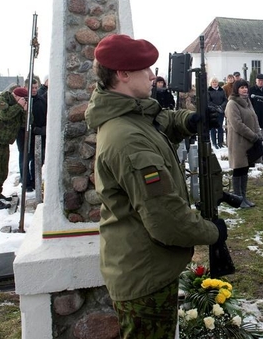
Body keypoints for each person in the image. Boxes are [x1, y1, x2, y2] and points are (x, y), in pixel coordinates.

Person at [84, 34, 226, 338]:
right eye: (144, 69)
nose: (152, 75)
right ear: (122, 74)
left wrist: (189, 120)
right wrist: (213, 232)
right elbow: (166, 219)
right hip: (144, 276)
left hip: (141, 266)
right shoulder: (127, 139)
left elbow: (158, 122)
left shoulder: (128, 113)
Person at [225, 79, 263, 208]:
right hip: (238, 142)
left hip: (249, 141)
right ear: (236, 89)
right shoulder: (232, 104)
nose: (245, 89)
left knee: (245, 169)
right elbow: (237, 125)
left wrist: (258, 133)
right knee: (238, 168)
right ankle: (237, 198)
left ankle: (244, 197)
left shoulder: (247, 101)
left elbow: (254, 118)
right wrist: (253, 136)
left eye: (246, 87)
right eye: (241, 87)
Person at [16, 77, 47, 192]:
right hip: (24, 135)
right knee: (24, 158)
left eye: (35, 87)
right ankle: (26, 182)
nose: (34, 90)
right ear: (26, 87)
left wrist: (42, 130)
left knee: (37, 159)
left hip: (39, 135)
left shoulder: (41, 100)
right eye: (31, 87)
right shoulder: (21, 101)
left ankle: (35, 181)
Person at [207, 76, 227, 148]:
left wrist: (221, 106)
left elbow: (225, 99)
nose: (214, 83)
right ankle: (214, 143)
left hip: (221, 111)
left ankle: (220, 143)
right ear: (211, 83)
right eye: (213, 82)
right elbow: (208, 101)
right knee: (213, 128)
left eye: (215, 82)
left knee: (220, 127)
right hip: (212, 111)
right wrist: (216, 107)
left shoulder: (222, 90)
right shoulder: (209, 91)